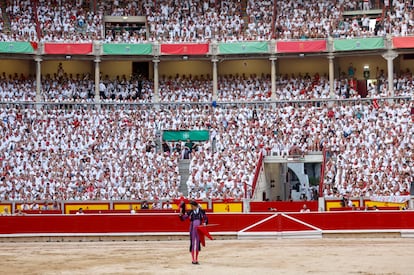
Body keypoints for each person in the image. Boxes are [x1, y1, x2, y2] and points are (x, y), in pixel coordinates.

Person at [179, 200, 209, 265]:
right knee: (192, 243)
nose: (191, 207)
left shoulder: (201, 212)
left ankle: (196, 259)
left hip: (199, 229)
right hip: (192, 229)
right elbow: (183, 219)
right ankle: (193, 259)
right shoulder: (190, 212)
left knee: (197, 243)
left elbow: (206, 219)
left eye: (192, 206)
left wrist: (205, 223)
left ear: (195, 206)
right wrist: (180, 215)